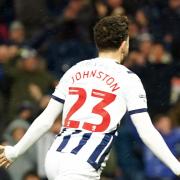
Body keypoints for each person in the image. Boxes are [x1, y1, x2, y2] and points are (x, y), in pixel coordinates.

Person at [0, 15, 180, 180]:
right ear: (124, 44)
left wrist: (16, 151)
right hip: (81, 163)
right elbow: (146, 131)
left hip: (55, 156)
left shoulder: (76, 69)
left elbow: (46, 119)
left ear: (97, 43)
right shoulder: (128, 78)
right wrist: (176, 165)